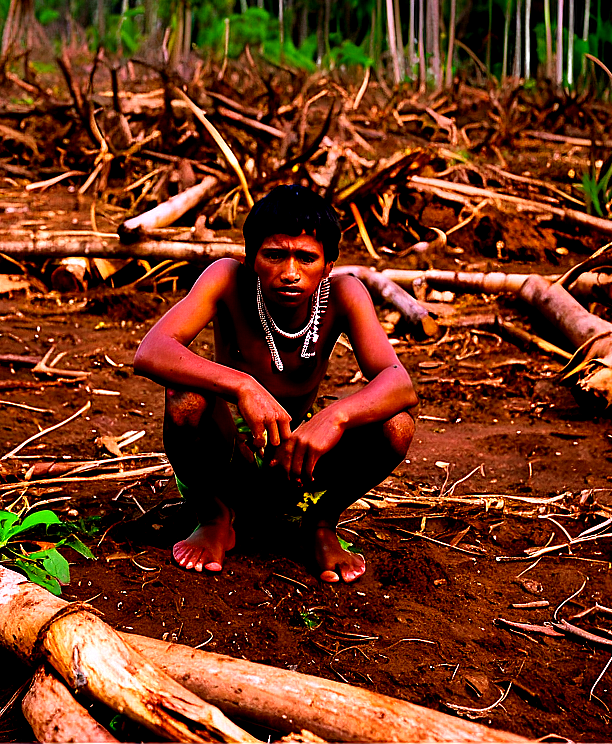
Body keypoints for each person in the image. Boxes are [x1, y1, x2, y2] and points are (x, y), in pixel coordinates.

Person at [134, 184, 418, 583]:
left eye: (306, 258)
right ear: (251, 258)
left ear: (328, 266)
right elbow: (151, 351)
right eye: (274, 255)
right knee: (185, 399)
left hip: (296, 466)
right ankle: (214, 516)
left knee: (398, 424)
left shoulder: (345, 294)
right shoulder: (227, 279)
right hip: (224, 459)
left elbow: (399, 383)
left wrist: (334, 418)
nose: (289, 272)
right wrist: (242, 386)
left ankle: (319, 524)